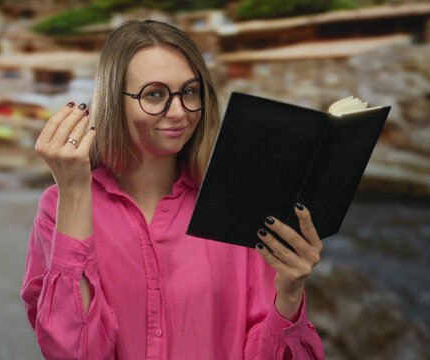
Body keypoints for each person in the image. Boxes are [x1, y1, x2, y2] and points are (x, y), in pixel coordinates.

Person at [21, 19, 324, 359]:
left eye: (190, 92)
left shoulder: (240, 204)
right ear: (113, 100)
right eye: (154, 94)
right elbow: (72, 352)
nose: (179, 112)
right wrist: (75, 192)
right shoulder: (57, 207)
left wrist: (289, 294)